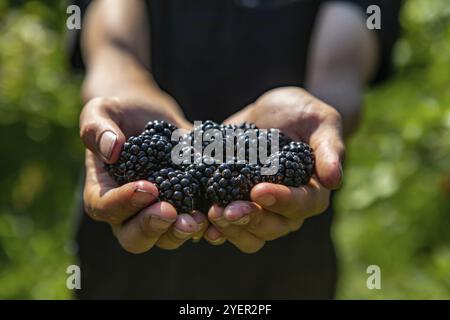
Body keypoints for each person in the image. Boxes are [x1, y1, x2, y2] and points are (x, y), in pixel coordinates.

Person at [70, 0, 400, 299]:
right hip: (126, 256)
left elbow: (339, 73)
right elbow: (114, 49)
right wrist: (121, 100)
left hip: (283, 245)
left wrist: (316, 120)